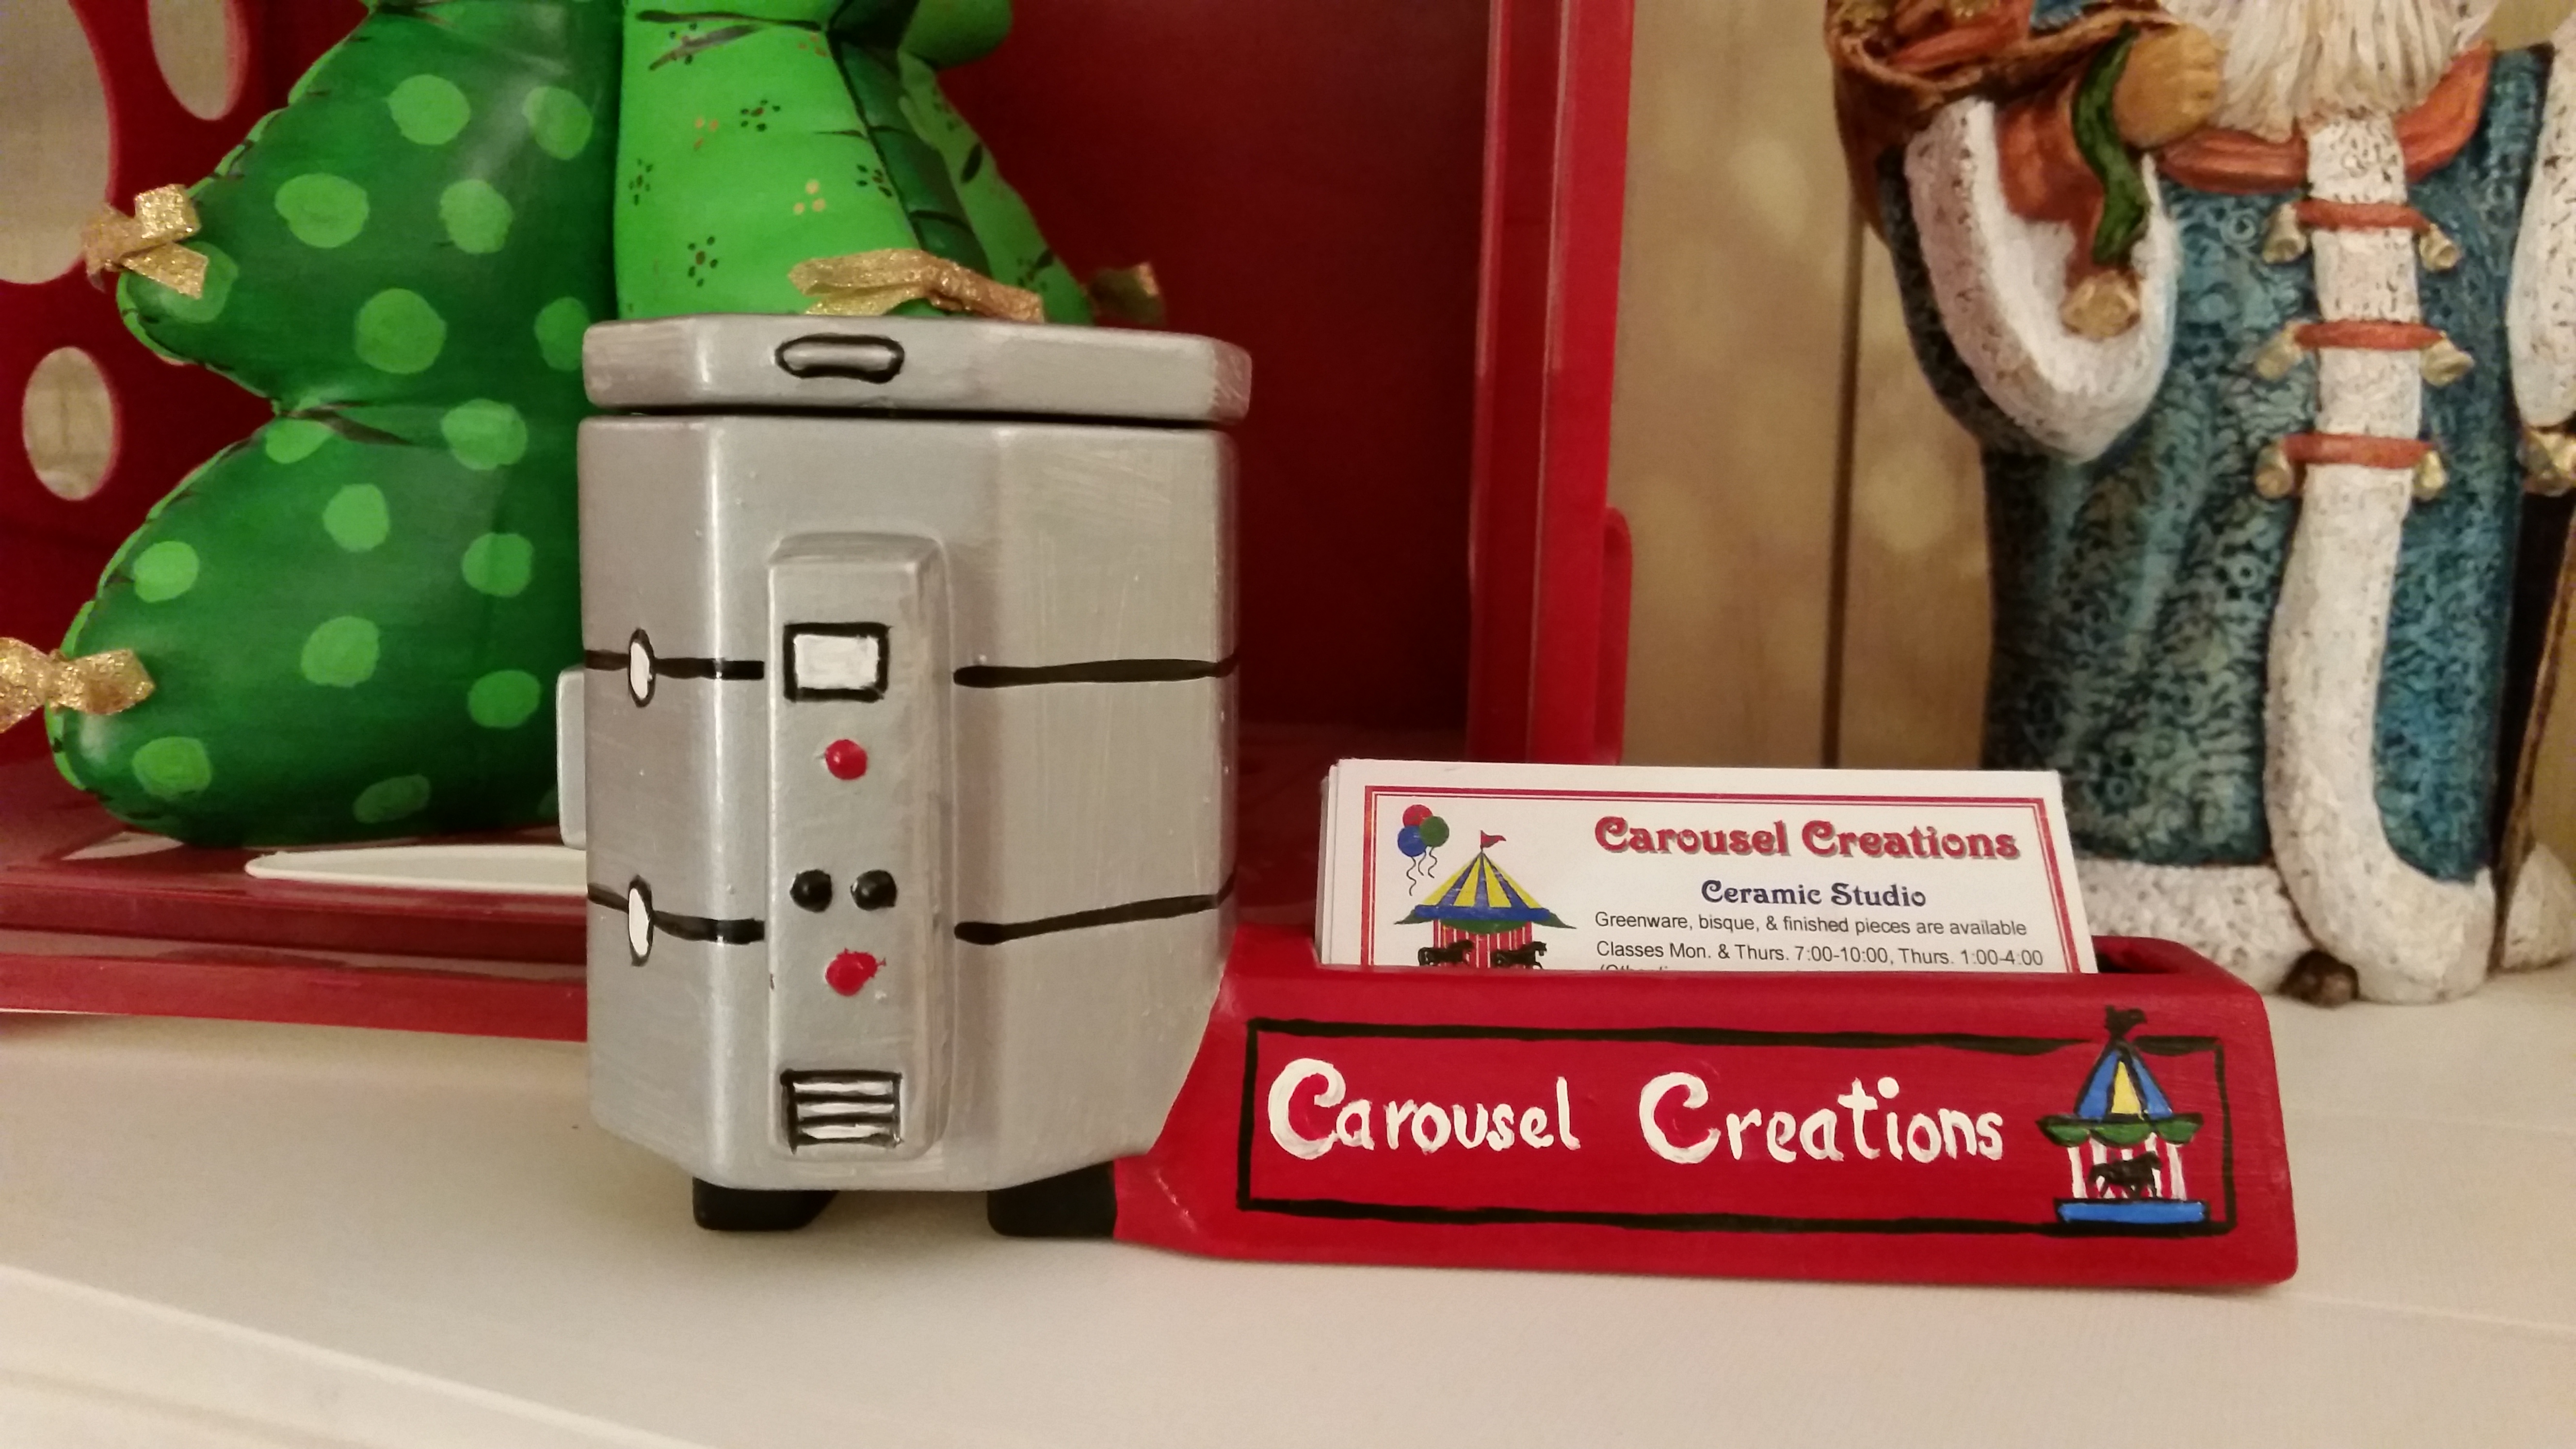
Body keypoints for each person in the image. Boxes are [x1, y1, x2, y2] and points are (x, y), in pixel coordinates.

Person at [1831, 0, 2576, 1001]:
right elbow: (1940, 138)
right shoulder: (2059, 59)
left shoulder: (2502, 120)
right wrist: (2090, 126)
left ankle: (2412, 866)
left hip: (2429, 813)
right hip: (2137, 812)